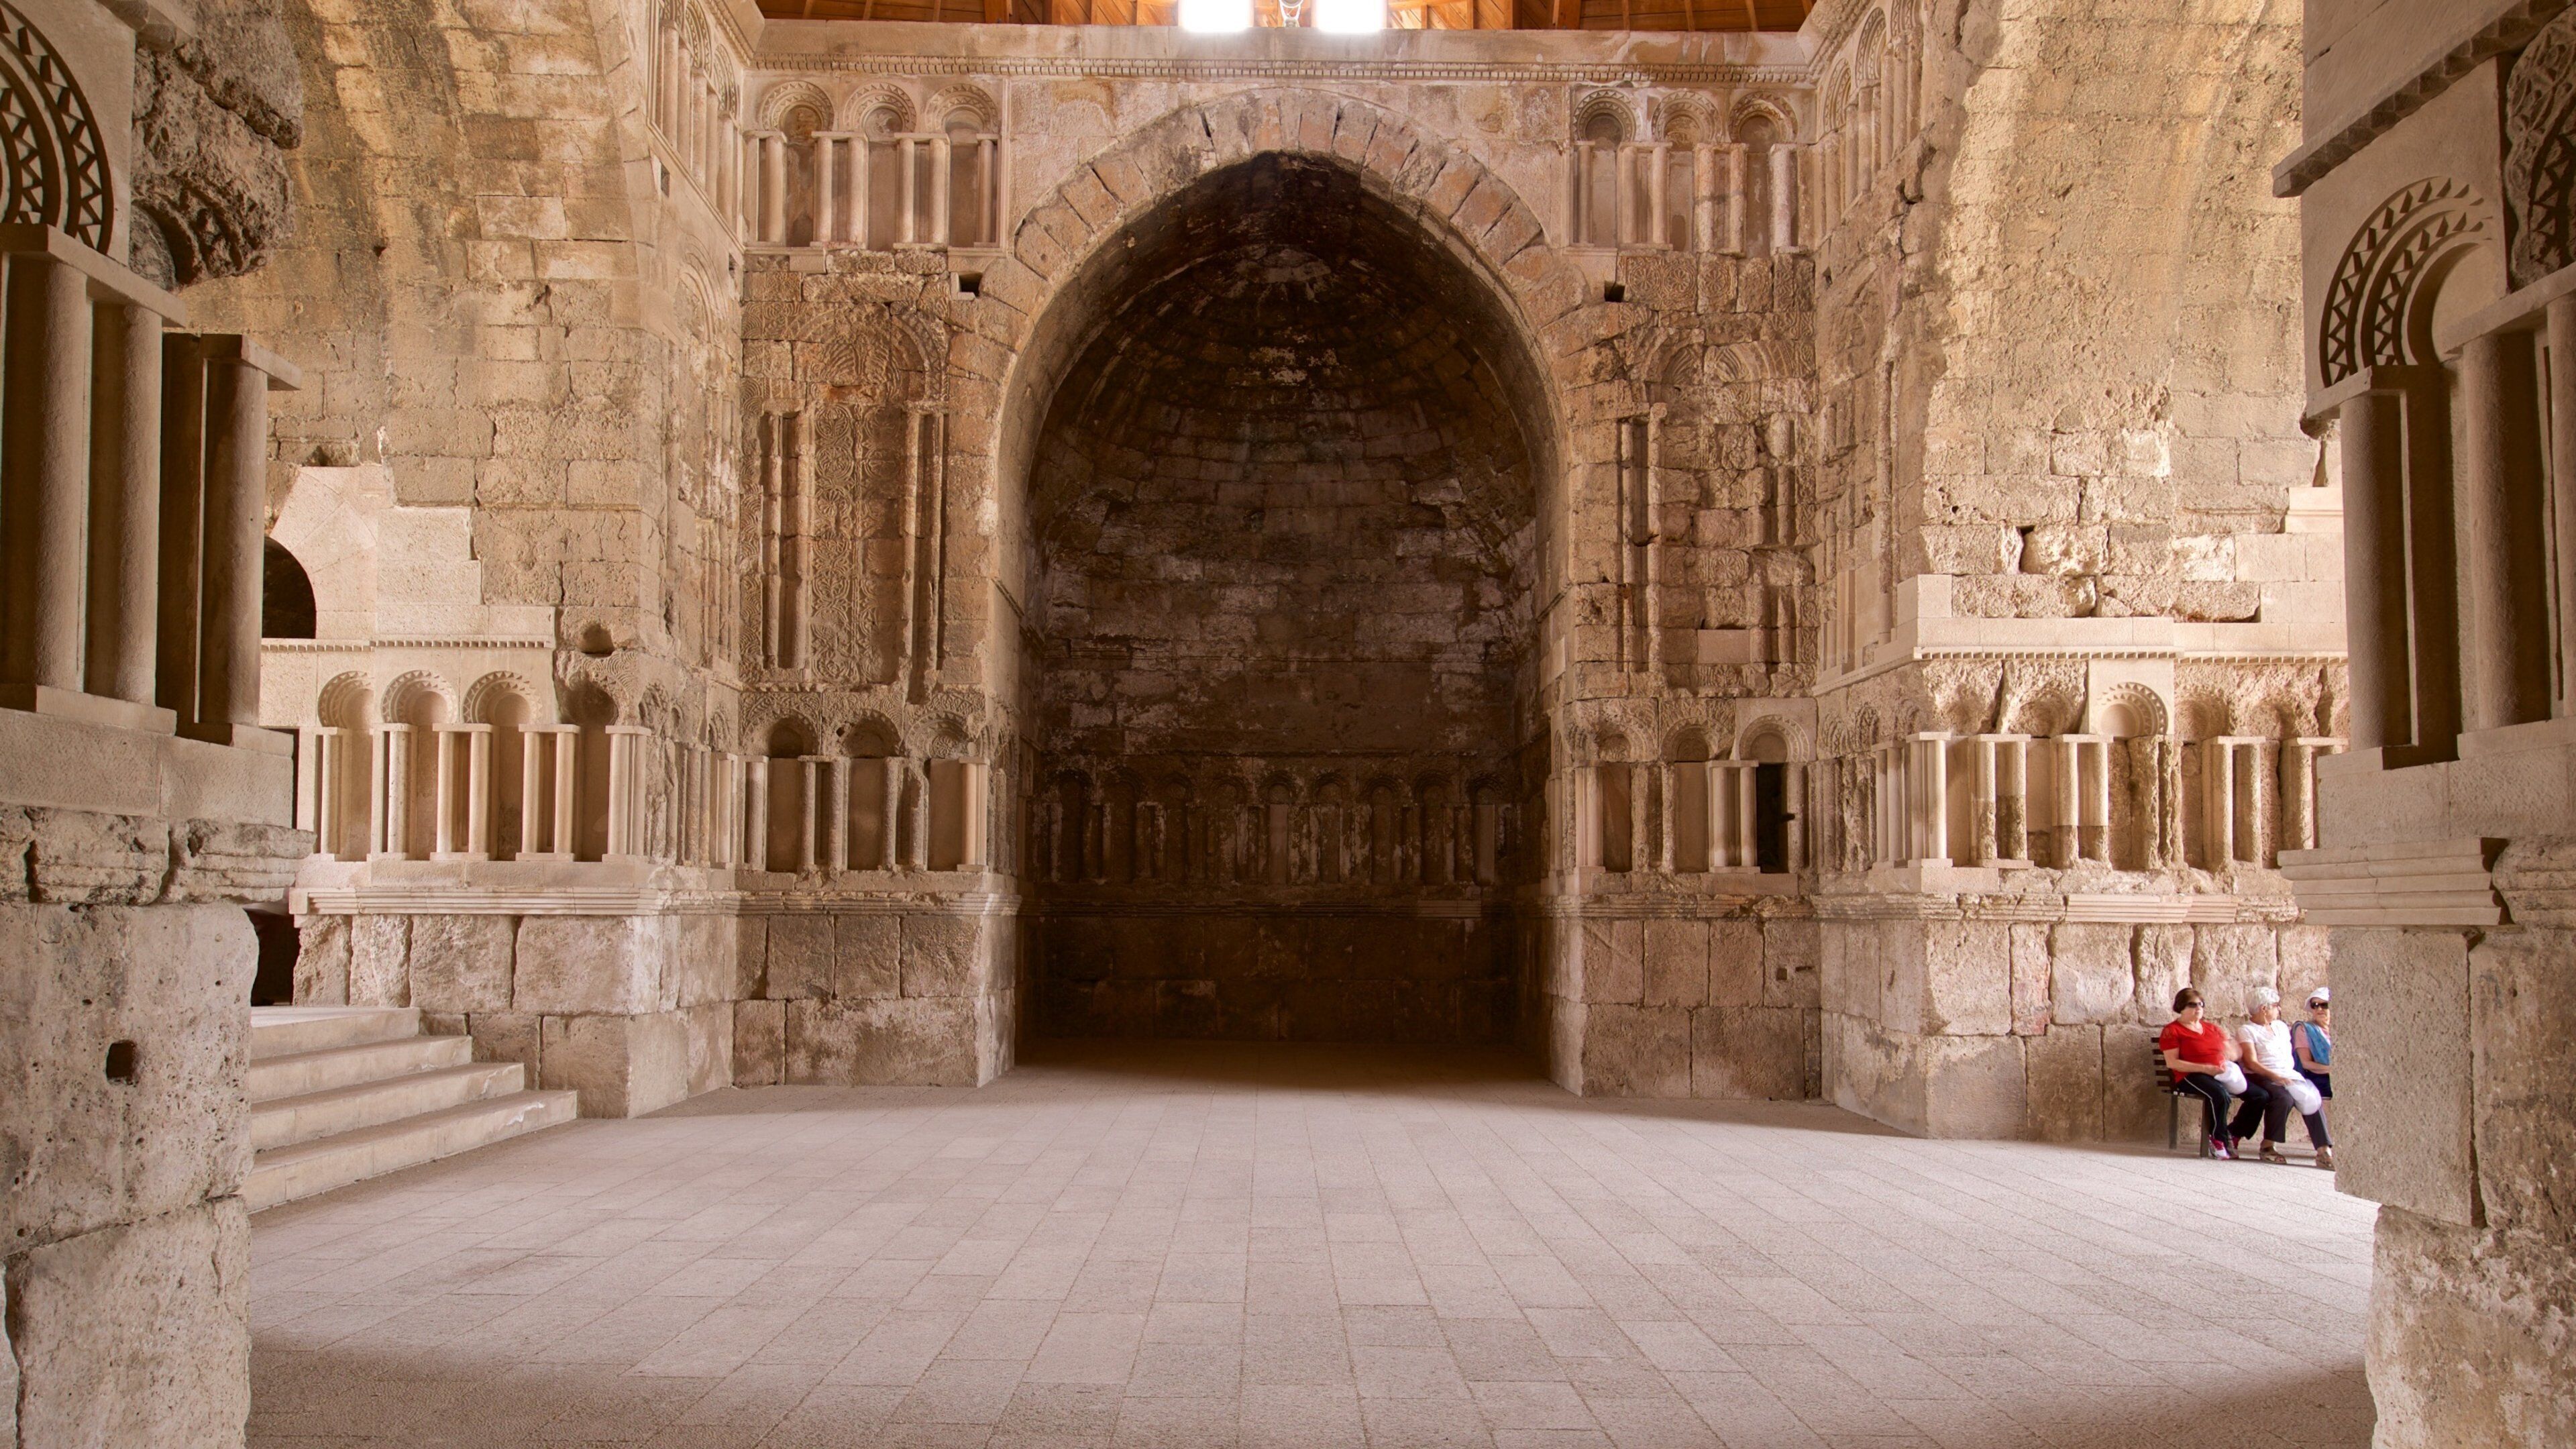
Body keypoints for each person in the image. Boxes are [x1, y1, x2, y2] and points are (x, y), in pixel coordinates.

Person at [2236, 987, 2332, 1167]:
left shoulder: (2280, 1026)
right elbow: (2251, 1063)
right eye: (2275, 1006)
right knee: (2283, 1097)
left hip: (2289, 1074)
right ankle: (2268, 1146)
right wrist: (2275, 1076)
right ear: (2264, 1009)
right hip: (2261, 1075)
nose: (2278, 1009)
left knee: (2312, 1098)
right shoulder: (2247, 1030)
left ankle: (2323, 1151)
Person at [2159, 987, 2241, 1159]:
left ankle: (2235, 1133)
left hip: (2218, 1073)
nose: (2198, 1008)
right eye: (2192, 1005)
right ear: (2181, 1007)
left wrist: (2231, 1050)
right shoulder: (2172, 1030)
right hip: (2189, 1076)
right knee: (2220, 1095)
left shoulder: (2212, 1028)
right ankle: (2218, 1139)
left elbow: (2232, 1054)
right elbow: (2172, 1062)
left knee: (2259, 1095)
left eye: (2201, 1004)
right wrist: (2206, 1068)